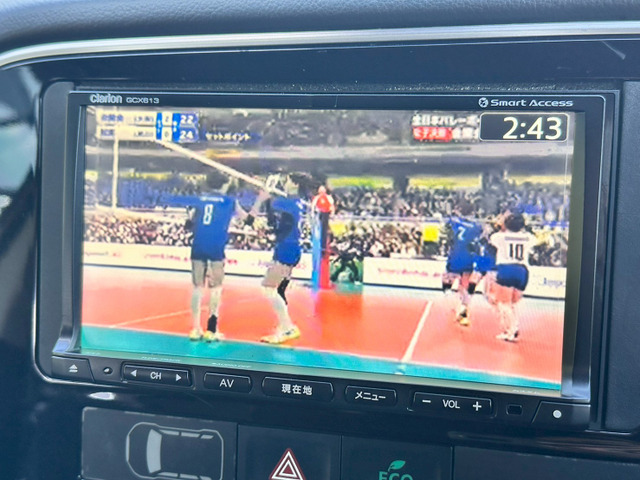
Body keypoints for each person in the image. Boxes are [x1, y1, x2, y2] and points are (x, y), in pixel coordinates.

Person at [185, 172, 255, 342]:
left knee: (197, 287)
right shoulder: (230, 201)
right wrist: (259, 203)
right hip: (216, 246)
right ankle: (211, 330)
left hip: (198, 244)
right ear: (224, 185)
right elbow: (248, 220)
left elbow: (188, 223)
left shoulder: (199, 199)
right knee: (216, 287)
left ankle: (195, 329)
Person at [256, 173, 307, 344]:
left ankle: (287, 328)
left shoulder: (288, 202)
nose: (285, 183)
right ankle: (285, 326)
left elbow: (272, 209)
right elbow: (278, 223)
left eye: (288, 181)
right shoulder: (298, 202)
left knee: (268, 287)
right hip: (289, 247)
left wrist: (266, 197)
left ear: (295, 184)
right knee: (277, 290)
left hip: (287, 249)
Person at [488, 212, 537, 342]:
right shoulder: (528, 237)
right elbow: (535, 239)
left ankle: (511, 330)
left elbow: (491, 238)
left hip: (506, 268)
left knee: (503, 302)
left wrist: (500, 225)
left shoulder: (499, 237)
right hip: (522, 270)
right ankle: (514, 327)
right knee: (515, 302)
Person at [442, 203, 483, 326]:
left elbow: (447, 234)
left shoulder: (454, 222)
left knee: (446, 285)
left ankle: (456, 307)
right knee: (464, 286)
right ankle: (464, 311)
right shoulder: (477, 227)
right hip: (468, 258)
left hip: (455, 256)